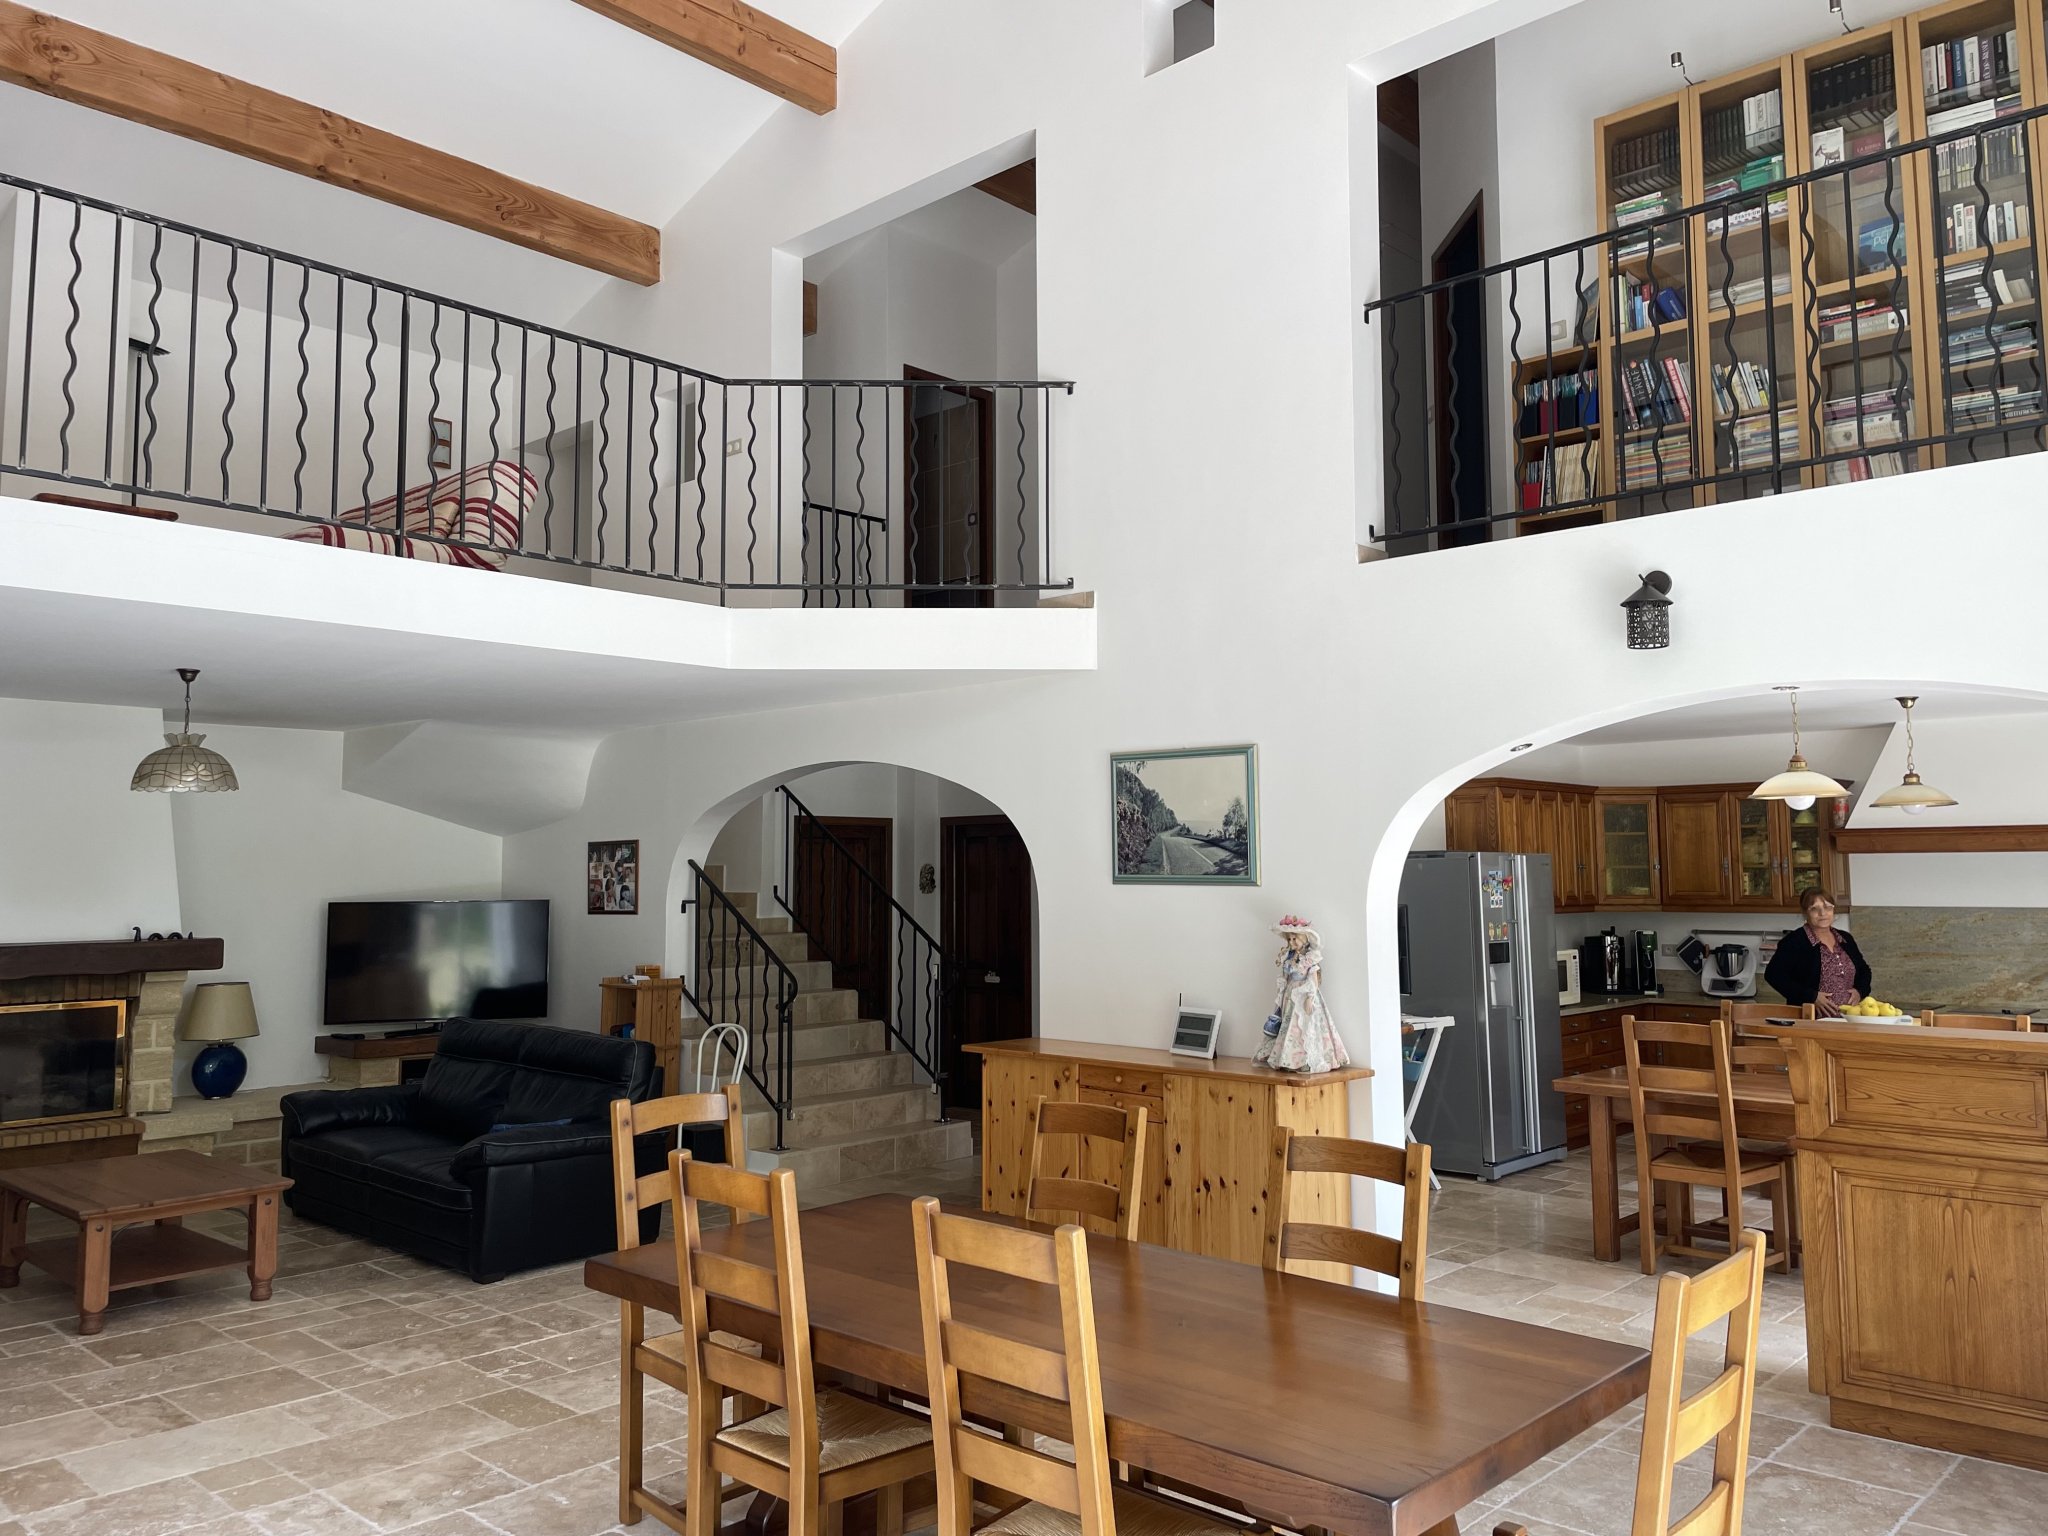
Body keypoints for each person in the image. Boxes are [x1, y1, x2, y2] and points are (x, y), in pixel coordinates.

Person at [1763, 889, 1871, 1018]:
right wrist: (1811, 996)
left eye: (1827, 907)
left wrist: (1860, 991)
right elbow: (1773, 975)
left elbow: (1864, 970)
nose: (1822, 913)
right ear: (1805, 913)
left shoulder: (1845, 938)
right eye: (1815, 909)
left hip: (1849, 1018)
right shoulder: (1795, 941)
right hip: (1811, 1020)